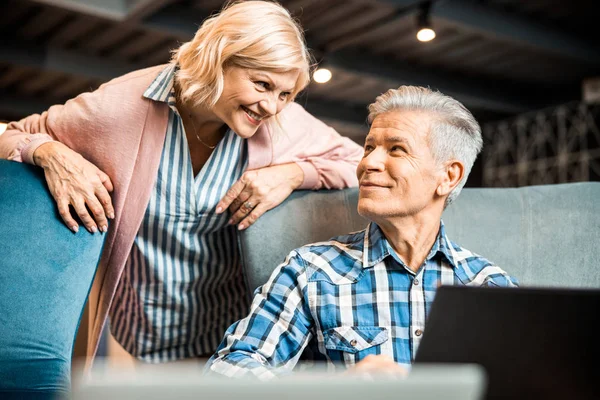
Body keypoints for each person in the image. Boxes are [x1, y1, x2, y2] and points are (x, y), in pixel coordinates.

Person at [0, 1, 362, 366]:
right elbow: (12, 134)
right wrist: (49, 153)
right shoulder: (117, 108)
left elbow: (359, 161)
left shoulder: (278, 124)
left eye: (285, 94)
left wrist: (293, 174)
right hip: (142, 333)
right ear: (218, 59)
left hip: (240, 336)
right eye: (262, 84)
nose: (272, 106)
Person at [206, 86, 518, 380]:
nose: (368, 162)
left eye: (396, 149)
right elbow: (227, 370)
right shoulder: (310, 271)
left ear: (449, 176)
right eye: (369, 147)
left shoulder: (491, 286)